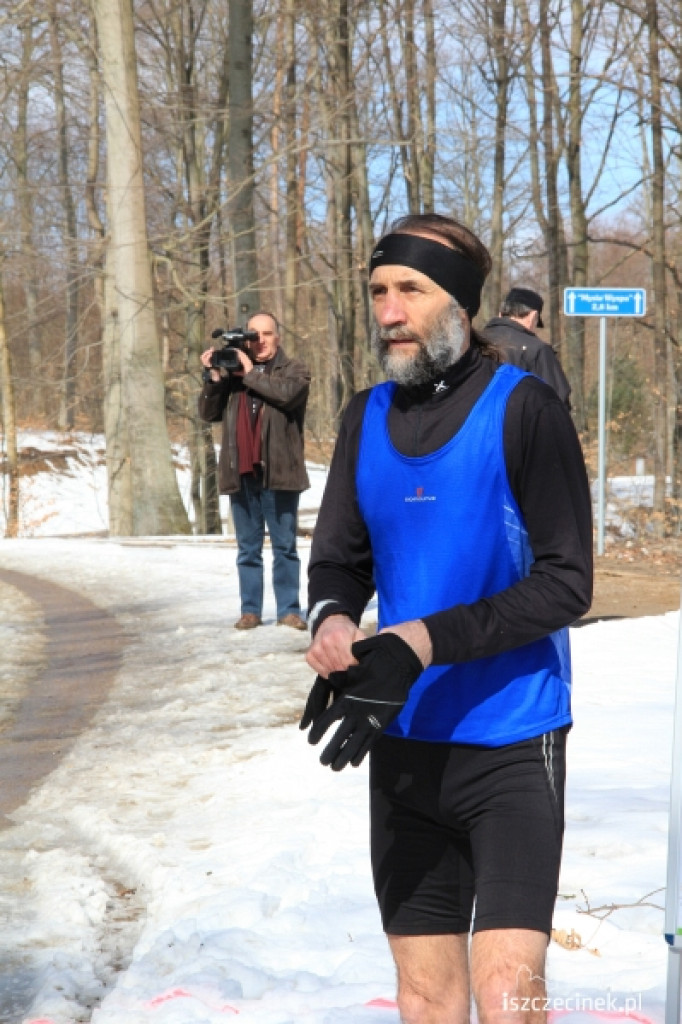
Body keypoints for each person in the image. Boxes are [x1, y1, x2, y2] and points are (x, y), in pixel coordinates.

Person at [300, 214, 593, 1023]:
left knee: (509, 992)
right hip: (403, 740)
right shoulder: (365, 418)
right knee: (426, 996)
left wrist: (421, 639)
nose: (388, 311)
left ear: (459, 305)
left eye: (410, 291)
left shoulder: (526, 410)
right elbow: (339, 562)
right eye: (377, 292)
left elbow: (568, 584)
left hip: (510, 740)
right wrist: (333, 626)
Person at [199, 311, 310, 631]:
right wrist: (215, 380)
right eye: (253, 335)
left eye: (267, 334)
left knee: (284, 547)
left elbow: (287, 396)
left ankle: (289, 610)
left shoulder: (294, 370)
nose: (259, 341)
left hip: (279, 472)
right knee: (248, 549)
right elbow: (208, 414)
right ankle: (251, 610)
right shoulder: (233, 374)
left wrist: (249, 372)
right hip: (241, 472)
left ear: (278, 337)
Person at [484, 286, 572, 407]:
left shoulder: (473, 341)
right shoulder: (537, 349)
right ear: (533, 316)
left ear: (501, 314)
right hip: (517, 423)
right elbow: (557, 400)